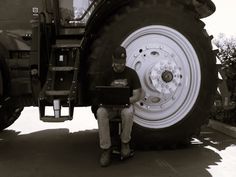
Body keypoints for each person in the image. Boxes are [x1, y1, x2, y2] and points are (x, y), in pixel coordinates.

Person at [95, 46, 142, 167]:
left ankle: (125, 143)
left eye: (121, 63)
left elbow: (137, 95)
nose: (119, 66)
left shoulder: (131, 74)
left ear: (125, 61)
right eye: (117, 63)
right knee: (101, 112)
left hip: (125, 106)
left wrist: (124, 100)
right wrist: (106, 101)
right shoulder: (106, 74)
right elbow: (99, 94)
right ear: (112, 60)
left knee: (128, 112)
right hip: (109, 107)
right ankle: (106, 149)